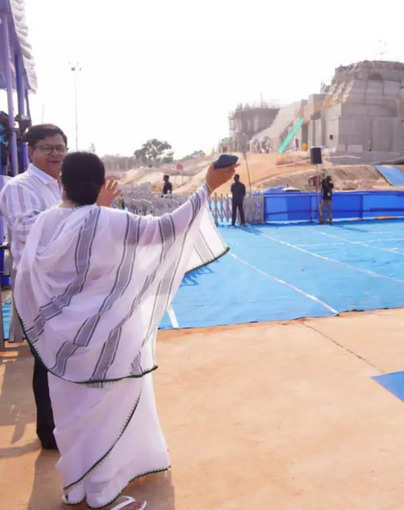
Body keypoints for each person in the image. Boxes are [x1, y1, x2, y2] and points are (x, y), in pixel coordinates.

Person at [13, 152, 237, 509]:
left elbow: (26, 276)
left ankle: (75, 488)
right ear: (102, 185)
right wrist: (207, 186)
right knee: (107, 417)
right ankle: (102, 494)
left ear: (61, 183)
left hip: (61, 347)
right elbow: (169, 228)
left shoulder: (45, 223)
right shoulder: (112, 221)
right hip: (113, 342)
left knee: (72, 417)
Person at [0, 124, 72, 450]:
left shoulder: (61, 188)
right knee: (47, 359)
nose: (55, 154)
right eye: (47, 148)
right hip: (38, 288)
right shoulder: (20, 187)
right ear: (31, 152)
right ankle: (50, 431)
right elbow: (29, 234)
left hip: (63, 284)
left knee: (65, 357)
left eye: (60, 147)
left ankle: (67, 422)